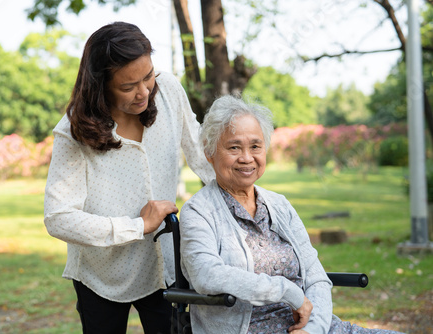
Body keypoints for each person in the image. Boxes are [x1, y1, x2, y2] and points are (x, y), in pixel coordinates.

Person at [178, 95, 404, 334]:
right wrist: (287, 291)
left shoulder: (280, 205)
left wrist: (313, 330)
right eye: (234, 147)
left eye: (255, 146)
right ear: (209, 151)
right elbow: (206, 275)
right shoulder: (198, 211)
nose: (246, 158)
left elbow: (316, 278)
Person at [43, 22, 214, 334]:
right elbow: (58, 217)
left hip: (165, 265)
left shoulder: (168, 90)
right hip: (101, 274)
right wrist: (137, 226)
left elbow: (201, 153)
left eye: (147, 76)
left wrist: (242, 198)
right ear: (100, 86)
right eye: (128, 87)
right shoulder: (72, 133)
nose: (144, 91)